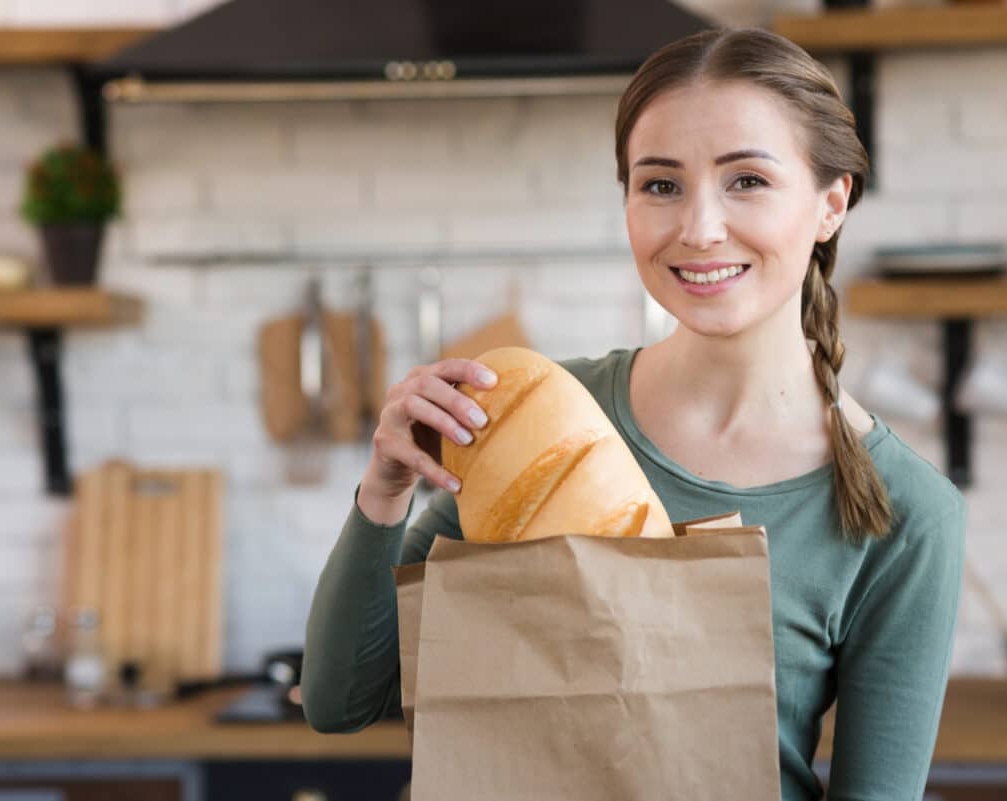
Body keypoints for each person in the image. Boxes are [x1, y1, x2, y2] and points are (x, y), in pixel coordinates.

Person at [303, 26, 966, 801]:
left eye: (746, 180)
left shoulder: (907, 510)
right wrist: (384, 491)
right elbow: (341, 701)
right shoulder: (534, 414)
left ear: (830, 204)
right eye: (660, 185)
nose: (699, 228)